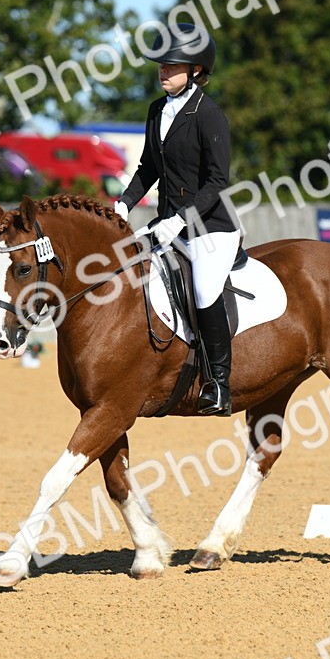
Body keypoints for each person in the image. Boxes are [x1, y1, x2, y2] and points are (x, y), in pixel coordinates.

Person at [113, 23, 238, 416]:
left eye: (171, 65)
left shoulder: (209, 114)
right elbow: (149, 167)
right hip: (168, 222)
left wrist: (181, 220)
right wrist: (124, 203)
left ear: (197, 70)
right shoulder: (156, 111)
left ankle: (219, 384)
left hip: (211, 226)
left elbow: (218, 180)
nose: (162, 71)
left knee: (203, 290)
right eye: (161, 65)